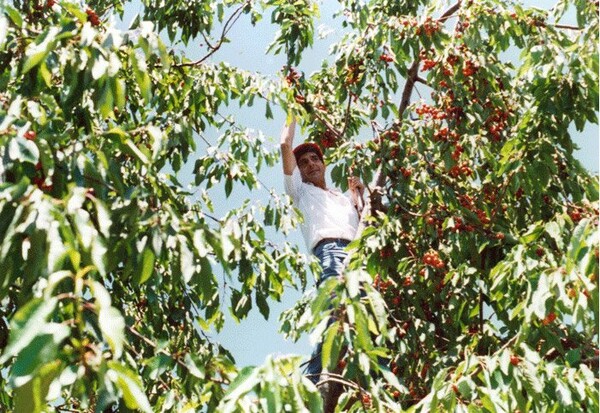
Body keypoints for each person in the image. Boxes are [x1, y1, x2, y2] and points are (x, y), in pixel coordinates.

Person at [280, 118, 364, 384]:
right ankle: (314, 382)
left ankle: (329, 381)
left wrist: (359, 196)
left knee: (359, 320)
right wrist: (293, 108)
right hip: (329, 251)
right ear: (299, 172)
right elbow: (285, 144)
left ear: (324, 163)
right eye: (303, 163)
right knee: (335, 313)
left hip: (358, 256)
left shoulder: (342, 198)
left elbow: (364, 221)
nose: (310, 164)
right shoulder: (300, 193)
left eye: (315, 159)